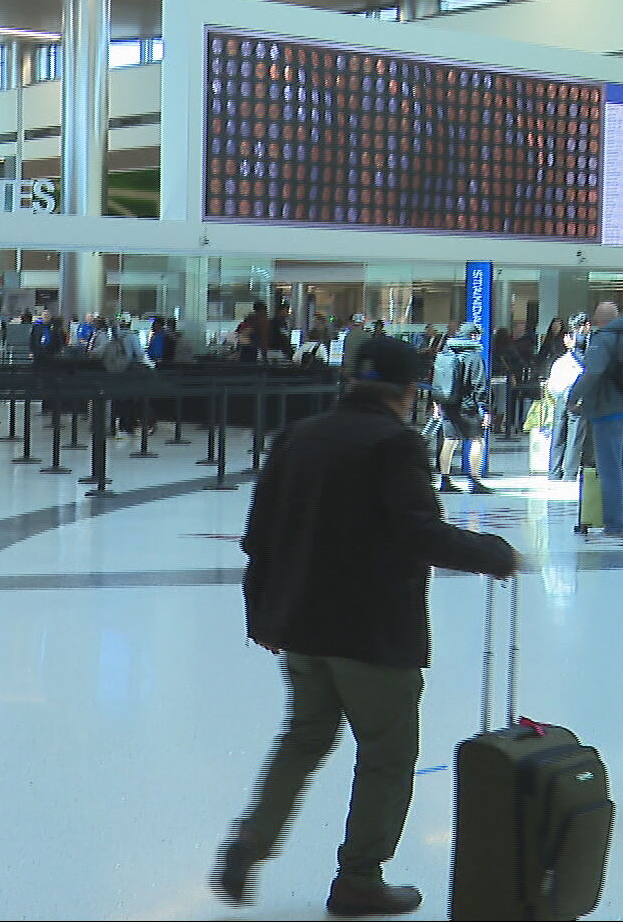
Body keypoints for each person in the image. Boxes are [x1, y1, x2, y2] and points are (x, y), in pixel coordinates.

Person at [212, 336, 518, 917]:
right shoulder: (395, 444)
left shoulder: (298, 436)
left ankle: (252, 839)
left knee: (304, 739)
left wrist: (264, 615)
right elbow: (421, 534)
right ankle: (359, 878)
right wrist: (496, 555)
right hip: (373, 632)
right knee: (386, 752)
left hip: (300, 624)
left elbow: (260, 537)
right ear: (407, 392)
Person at [570, 301, 623, 543]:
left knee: (610, 471)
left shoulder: (603, 339)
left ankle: (614, 525)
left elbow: (593, 372)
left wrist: (574, 396)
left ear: (596, 320)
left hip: (608, 412)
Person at [433, 323, 493, 494]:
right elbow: (479, 385)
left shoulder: (445, 354)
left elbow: (437, 382)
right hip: (467, 406)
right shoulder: (474, 357)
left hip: (447, 404)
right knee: (476, 441)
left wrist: (436, 404)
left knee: (450, 440)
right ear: (473, 336)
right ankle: (475, 481)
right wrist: (485, 409)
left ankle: (445, 480)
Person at [544, 317, 588, 482]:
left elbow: (552, 386)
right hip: (579, 399)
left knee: (558, 435)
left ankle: (554, 472)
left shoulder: (561, 361)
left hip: (561, 398)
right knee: (575, 436)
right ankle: (569, 473)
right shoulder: (586, 361)